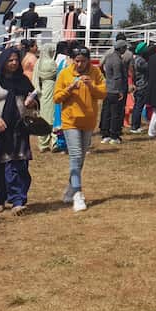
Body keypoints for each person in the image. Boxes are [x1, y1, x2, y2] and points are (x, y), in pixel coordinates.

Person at [0, 47, 38, 215]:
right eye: (10, 60)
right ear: (3, 61)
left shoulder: (23, 81)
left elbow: (34, 97)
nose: (13, 63)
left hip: (18, 129)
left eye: (16, 60)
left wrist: (32, 102)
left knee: (18, 164)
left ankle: (18, 200)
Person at [53, 47, 106, 213]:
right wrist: (69, 89)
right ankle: (78, 193)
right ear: (72, 60)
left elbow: (103, 93)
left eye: (83, 61)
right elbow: (56, 97)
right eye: (77, 60)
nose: (80, 64)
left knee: (81, 158)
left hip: (88, 121)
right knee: (75, 155)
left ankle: (70, 187)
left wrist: (91, 86)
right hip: (70, 121)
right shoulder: (65, 73)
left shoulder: (95, 72)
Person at [99, 40, 128, 145]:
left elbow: (101, 66)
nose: (125, 50)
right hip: (115, 89)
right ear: (121, 48)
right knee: (115, 113)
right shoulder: (117, 60)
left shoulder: (109, 57)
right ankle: (114, 135)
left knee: (107, 112)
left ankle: (105, 134)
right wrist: (120, 90)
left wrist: (106, 77)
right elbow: (118, 77)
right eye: (124, 47)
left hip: (108, 87)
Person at [34, 42, 60, 150]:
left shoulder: (38, 63)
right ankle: (53, 141)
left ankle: (43, 143)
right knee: (53, 117)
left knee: (44, 116)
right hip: (52, 88)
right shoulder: (51, 63)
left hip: (43, 90)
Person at [128, 41, 150, 134]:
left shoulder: (135, 59)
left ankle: (135, 124)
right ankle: (135, 126)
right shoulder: (141, 61)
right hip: (142, 85)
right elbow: (148, 69)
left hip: (137, 84)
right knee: (138, 106)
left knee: (137, 106)